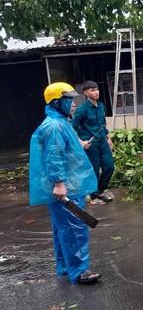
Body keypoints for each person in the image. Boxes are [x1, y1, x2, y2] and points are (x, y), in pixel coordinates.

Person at [30, 82, 102, 285]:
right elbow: (55, 155)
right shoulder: (54, 126)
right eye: (68, 100)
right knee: (73, 228)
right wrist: (59, 183)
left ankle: (65, 268)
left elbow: (65, 145)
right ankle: (80, 271)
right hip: (66, 186)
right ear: (57, 102)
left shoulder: (60, 122)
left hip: (69, 183)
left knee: (62, 228)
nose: (73, 104)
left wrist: (77, 142)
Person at [72, 81, 115, 205]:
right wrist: (81, 142)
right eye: (92, 90)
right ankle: (93, 196)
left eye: (97, 89)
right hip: (90, 144)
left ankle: (100, 191)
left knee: (109, 166)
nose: (96, 92)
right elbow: (73, 126)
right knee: (94, 170)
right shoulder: (82, 110)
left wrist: (108, 137)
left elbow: (102, 123)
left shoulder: (101, 106)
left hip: (102, 141)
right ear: (85, 92)